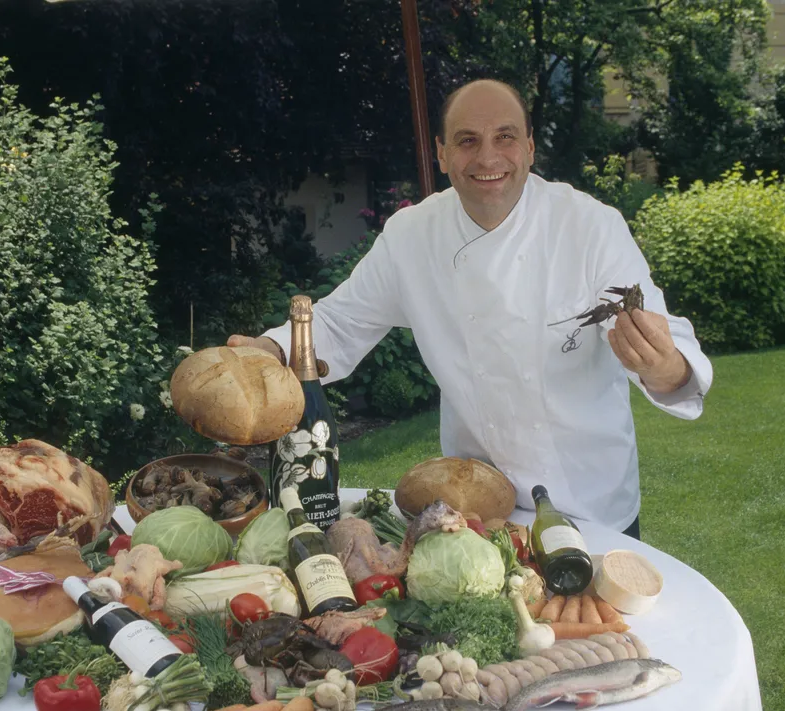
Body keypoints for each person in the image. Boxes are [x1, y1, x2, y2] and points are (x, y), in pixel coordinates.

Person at [229, 79, 712, 539]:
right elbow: (340, 321)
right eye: (466, 140)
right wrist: (269, 350)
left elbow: (665, 345)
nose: (487, 157)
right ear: (441, 153)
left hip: (592, 503)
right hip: (476, 506)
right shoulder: (412, 236)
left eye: (505, 137)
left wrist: (664, 366)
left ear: (529, 148)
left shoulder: (590, 227)